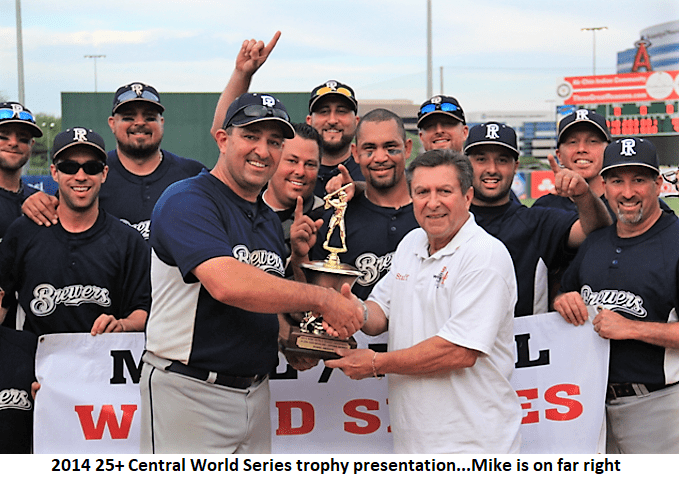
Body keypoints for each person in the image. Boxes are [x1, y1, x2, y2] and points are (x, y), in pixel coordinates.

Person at [139, 93, 363, 454]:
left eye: (274, 141)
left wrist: (293, 341)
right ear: (222, 139)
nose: (263, 150)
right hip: (189, 390)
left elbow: (266, 304)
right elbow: (226, 284)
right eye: (251, 136)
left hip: (256, 391)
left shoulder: (267, 220)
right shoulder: (187, 199)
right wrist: (324, 299)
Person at [326, 149, 522, 453]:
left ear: (467, 196)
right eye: (422, 192)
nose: (432, 202)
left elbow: (459, 352)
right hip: (414, 442)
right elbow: (380, 313)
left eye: (444, 191)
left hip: (473, 446)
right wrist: (353, 310)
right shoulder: (411, 242)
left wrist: (376, 363)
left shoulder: (485, 255)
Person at [554, 137, 679, 454]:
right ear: (604, 186)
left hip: (660, 404)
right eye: (617, 181)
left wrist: (633, 328)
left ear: (658, 185)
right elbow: (566, 291)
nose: (627, 192)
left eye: (639, 180)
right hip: (590, 406)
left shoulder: (675, 241)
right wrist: (562, 301)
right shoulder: (596, 242)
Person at [0, 127, 150, 336]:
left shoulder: (128, 240)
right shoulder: (24, 231)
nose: (80, 176)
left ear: (104, 173)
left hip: (103, 353)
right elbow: (3, 299)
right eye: (69, 167)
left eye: (91, 167)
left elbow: (143, 309)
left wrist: (123, 325)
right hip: (35, 354)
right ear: (54, 172)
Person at [22, 82, 205, 241]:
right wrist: (38, 203)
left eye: (150, 117)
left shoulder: (192, 174)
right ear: (112, 123)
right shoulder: (92, 172)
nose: (139, 123)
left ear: (162, 122)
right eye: (128, 117)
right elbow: (56, 210)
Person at [464, 121, 612, 316]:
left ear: (515, 166)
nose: (492, 169)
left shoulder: (537, 222)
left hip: (521, 335)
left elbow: (595, 229)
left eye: (502, 160)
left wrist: (583, 195)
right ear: (466, 165)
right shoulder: (448, 222)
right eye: (481, 159)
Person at [291, 109, 418, 301]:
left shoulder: (429, 215)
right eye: (369, 149)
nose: (380, 158)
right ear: (355, 153)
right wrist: (299, 257)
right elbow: (312, 302)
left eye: (390, 148)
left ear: (407, 148)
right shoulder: (335, 220)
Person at [262, 122, 324, 260]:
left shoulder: (326, 219)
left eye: (310, 164)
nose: (300, 172)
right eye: (292, 161)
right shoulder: (244, 208)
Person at [307, 80, 364, 198]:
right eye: (324, 111)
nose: (332, 120)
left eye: (341, 111)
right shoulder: (294, 174)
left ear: (356, 121)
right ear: (309, 121)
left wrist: (359, 187)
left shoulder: (370, 172)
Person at [0, 102, 42, 239]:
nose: (13, 143)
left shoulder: (40, 202)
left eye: (23, 138)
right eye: (3, 136)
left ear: (31, 145)